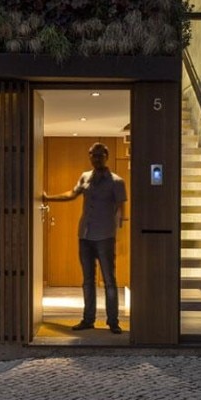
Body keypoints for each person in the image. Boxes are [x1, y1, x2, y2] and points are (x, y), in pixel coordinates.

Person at [42, 141, 127, 333]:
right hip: (85, 235)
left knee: (109, 280)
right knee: (87, 280)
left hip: (105, 236)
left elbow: (122, 209)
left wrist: (119, 234)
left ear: (106, 156)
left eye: (100, 155)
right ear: (89, 156)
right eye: (93, 155)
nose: (96, 158)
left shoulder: (116, 181)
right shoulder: (85, 177)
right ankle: (88, 319)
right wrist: (49, 198)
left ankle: (113, 321)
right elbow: (72, 194)